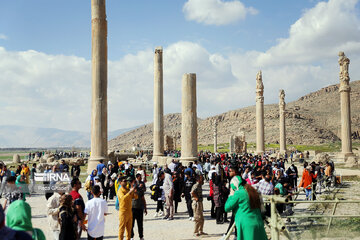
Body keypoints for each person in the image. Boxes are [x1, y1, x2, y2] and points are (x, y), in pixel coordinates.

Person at [131, 174, 147, 240]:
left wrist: (145, 208)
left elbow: (143, 199)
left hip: (140, 208)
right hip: (132, 208)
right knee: (131, 224)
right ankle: (131, 236)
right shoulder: (130, 192)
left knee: (140, 224)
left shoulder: (140, 191)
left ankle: (141, 236)